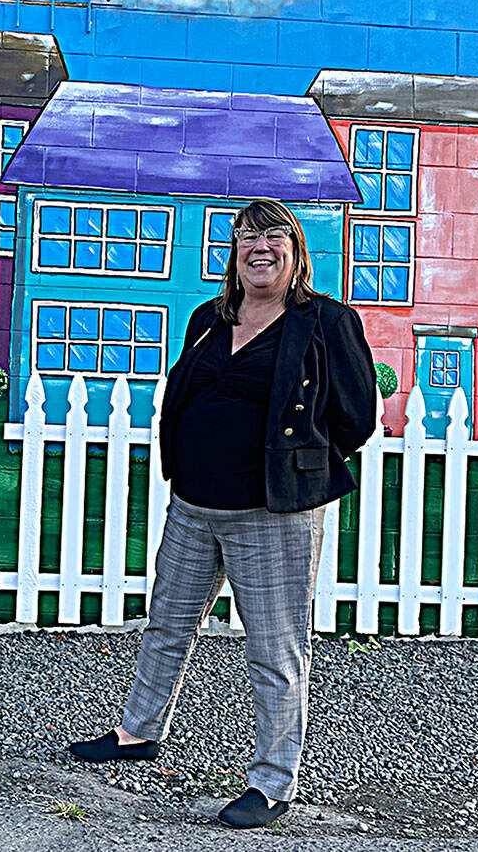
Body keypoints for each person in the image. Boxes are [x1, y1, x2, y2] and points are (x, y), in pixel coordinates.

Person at [68, 199, 376, 829]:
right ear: (233, 251)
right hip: (193, 504)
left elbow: (356, 417)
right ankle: (138, 733)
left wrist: (297, 464)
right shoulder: (209, 317)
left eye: (273, 237)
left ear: (295, 248)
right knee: (165, 626)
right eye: (246, 237)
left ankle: (271, 781)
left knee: (274, 649)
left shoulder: (326, 322)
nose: (259, 248)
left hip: (272, 514)